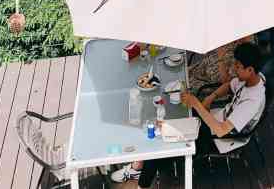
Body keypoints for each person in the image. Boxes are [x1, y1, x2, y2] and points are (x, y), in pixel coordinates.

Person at [112, 42, 266, 186]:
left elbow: (221, 131)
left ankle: (139, 178)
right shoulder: (251, 80)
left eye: (238, 67)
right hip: (212, 120)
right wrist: (210, 98)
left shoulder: (252, 101)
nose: (234, 68)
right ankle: (138, 164)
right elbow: (228, 85)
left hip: (219, 139)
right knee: (163, 121)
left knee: (160, 147)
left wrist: (197, 105)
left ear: (250, 70)